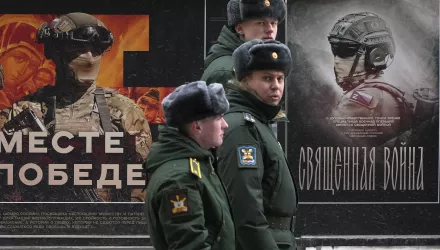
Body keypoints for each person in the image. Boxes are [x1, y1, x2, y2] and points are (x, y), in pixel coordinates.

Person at [0, 12, 152, 202]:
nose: (89, 57)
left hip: (105, 226)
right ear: (54, 51)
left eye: (96, 49)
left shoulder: (123, 112)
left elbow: (142, 185)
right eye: (78, 48)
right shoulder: (23, 111)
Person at [216, 39, 298, 250]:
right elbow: (246, 212)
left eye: (280, 78)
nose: (276, 86)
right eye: (267, 78)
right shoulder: (243, 128)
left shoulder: (258, 122)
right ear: (245, 80)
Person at [144, 81, 235, 250]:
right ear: (197, 126)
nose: (225, 125)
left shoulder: (196, 165)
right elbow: (191, 245)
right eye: (218, 118)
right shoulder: (180, 179)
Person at [328, 12, 413, 146]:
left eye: (346, 52)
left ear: (376, 57)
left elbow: (325, 140)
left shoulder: (356, 101)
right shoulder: (390, 93)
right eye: (335, 51)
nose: (337, 61)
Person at [201, 0, 287, 86]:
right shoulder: (227, 72)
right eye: (261, 23)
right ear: (239, 29)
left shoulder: (253, 61)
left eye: (273, 23)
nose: (270, 29)